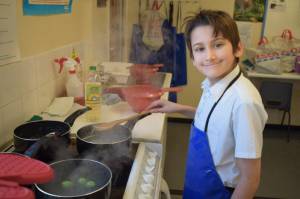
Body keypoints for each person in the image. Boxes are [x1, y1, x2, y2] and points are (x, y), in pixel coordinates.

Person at [146, 9, 268, 199]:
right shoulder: (214, 84)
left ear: (238, 48)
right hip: (197, 184)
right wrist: (177, 108)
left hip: (219, 191)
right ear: (193, 58)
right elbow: (214, 120)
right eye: (200, 49)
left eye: (217, 45)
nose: (209, 56)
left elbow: (250, 179)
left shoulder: (244, 102)